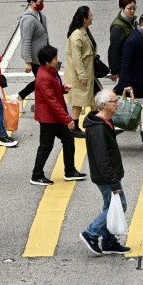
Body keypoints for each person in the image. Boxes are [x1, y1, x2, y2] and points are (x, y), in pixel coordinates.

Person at [81, 90, 131, 255]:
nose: (118, 103)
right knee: (120, 205)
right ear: (103, 105)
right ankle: (91, 233)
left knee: (110, 206)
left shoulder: (104, 121)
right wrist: (113, 183)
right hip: (106, 176)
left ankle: (109, 242)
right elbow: (102, 159)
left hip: (109, 175)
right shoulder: (98, 129)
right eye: (114, 101)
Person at [32, 45, 88, 185]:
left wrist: (63, 89)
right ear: (47, 61)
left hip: (55, 117)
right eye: (55, 58)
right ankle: (36, 175)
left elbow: (53, 92)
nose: (57, 60)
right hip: (48, 119)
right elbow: (51, 101)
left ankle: (70, 171)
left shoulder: (51, 71)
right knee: (46, 146)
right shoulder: (44, 77)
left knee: (69, 140)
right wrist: (67, 119)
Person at [113, 14, 143, 152]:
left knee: (142, 116)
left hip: (142, 84)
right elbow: (126, 64)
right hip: (136, 85)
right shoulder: (133, 40)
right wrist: (127, 84)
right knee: (132, 117)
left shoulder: (141, 38)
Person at [66, 6, 98, 131]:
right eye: (90, 15)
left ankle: (95, 124)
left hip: (89, 73)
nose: (92, 17)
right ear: (85, 19)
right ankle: (74, 127)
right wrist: (82, 75)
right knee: (79, 101)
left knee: (93, 98)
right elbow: (77, 58)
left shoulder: (84, 31)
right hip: (82, 75)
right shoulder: (76, 35)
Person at [17, 0, 50, 106]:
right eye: (40, 1)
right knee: (42, 81)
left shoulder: (40, 15)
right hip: (35, 58)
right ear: (31, 2)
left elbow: (45, 35)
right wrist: (28, 62)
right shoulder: (28, 20)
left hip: (44, 55)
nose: (42, 3)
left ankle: (25, 96)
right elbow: (26, 41)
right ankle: (22, 95)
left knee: (43, 81)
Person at [108, 0, 136, 84]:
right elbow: (114, 50)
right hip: (125, 67)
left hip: (133, 64)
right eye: (129, 8)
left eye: (134, 8)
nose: (132, 11)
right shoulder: (117, 27)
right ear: (121, 8)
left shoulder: (132, 21)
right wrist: (114, 71)